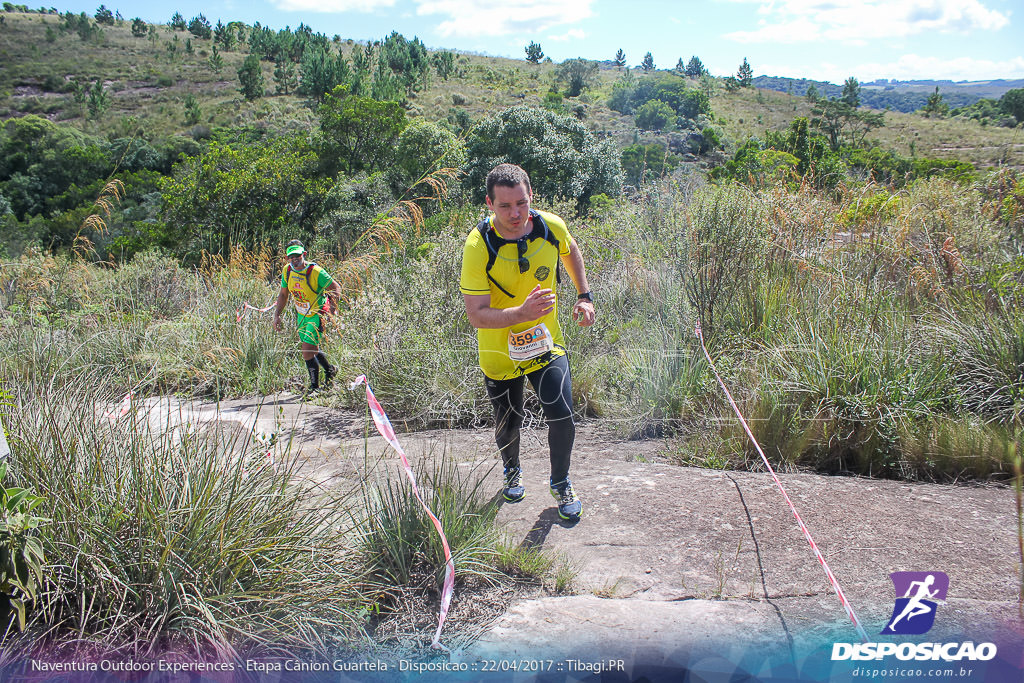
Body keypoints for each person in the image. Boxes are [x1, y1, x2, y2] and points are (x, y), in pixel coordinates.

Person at [460, 164, 596, 522]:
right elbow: (476, 314)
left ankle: (561, 481)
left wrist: (584, 295)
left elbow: (570, 250)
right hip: (498, 352)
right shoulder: (478, 246)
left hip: (544, 343)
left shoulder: (551, 226)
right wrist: (521, 312)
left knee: (563, 414)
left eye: (521, 203)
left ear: (531, 196)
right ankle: (512, 469)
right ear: (489, 203)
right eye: (504, 206)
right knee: (509, 421)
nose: (515, 213)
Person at [273, 240, 342, 394]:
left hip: (317, 314)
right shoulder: (287, 271)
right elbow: (283, 294)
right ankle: (330, 370)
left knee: (306, 350)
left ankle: (314, 388)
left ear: (304, 254)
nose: (294, 259)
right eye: (291, 257)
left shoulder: (315, 271)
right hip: (302, 315)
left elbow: (336, 288)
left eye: (297, 255)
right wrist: (277, 315)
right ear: (287, 258)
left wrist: (332, 309)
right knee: (313, 349)